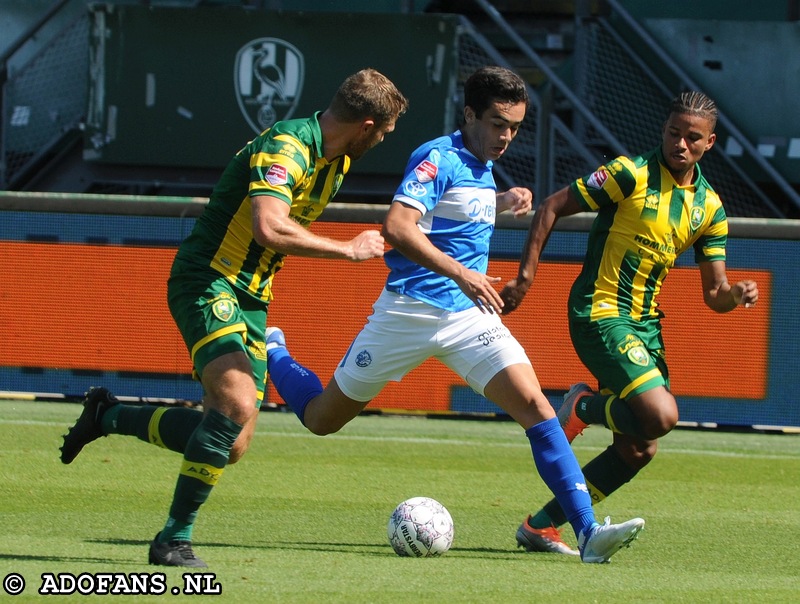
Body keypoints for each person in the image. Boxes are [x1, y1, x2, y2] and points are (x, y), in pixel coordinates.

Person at [265, 66, 645, 563]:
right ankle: (272, 348)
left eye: (514, 125)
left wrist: (500, 198)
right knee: (320, 420)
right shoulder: (436, 156)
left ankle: (587, 533)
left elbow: (453, 214)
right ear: (469, 115)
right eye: (496, 123)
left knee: (538, 409)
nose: (506, 135)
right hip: (409, 312)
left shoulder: (483, 166)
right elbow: (399, 227)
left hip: (470, 319)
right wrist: (463, 274)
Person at [59, 68, 410, 567]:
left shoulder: (336, 160)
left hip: (251, 297)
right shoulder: (287, 147)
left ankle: (106, 415)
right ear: (367, 124)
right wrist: (346, 250)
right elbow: (268, 226)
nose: (384, 141)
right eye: (385, 132)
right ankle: (172, 540)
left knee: (230, 442)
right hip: (208, 280)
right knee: (237, 404)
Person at [500, 91, 759, 554]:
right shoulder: (628, 174)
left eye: (692, 138)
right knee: (661, 416)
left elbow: (714, 293)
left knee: (639, 448)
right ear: (664, 131)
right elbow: (552, 206)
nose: (680, 143)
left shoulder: (710, 209)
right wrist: (525, 279)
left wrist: (735, 294)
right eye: (673, 133)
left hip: (645, 326)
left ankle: (541, 526)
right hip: (599, 312)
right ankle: (582, 406)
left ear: (710, 143)